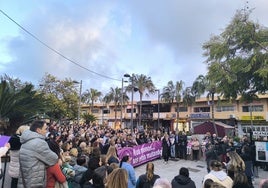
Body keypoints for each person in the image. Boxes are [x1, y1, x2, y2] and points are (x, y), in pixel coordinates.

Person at [18, 120, 59, 188]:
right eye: (45, 129)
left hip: (25, 180)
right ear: (38, 130)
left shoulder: (26, 140)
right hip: (34, 182)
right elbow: (54, 159)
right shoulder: (39, 143)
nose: (47, 131)